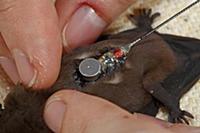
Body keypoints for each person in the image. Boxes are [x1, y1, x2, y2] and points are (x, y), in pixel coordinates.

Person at [0, 0, 199, 132]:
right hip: (135, 51)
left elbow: (151, 84)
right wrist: (174, 108)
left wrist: (173, 108)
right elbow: (152, 85)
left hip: (138, 54)